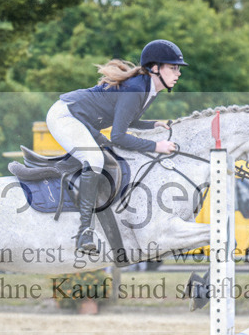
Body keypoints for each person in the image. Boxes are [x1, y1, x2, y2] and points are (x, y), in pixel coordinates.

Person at [47, 39, 187, 254]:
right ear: (156, 68)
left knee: (112, 158)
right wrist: (156, 146)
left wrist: (154, 124)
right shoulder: (136, 89)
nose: (178, 73)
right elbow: (119, 136)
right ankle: (84, 231)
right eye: (173, 68)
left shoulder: (146, 87)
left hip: (83, 121)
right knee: (95, 160)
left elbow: (127, 121)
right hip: (66, 116)